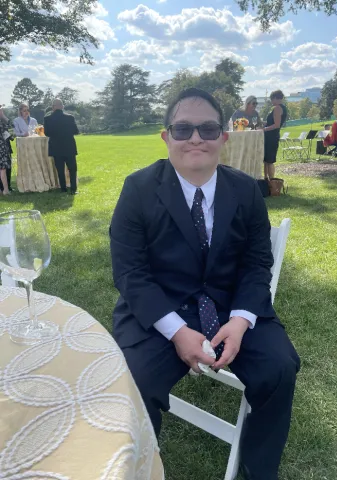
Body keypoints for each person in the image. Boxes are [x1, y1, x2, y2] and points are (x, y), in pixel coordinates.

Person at [110, 88, 300, 480]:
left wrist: (242, 320)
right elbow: (130, 272)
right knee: (133, 379)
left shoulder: (246, 190)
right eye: (183, 129)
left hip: (233, 306)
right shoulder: (138, 189)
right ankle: (140, 468)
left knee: (279, 367)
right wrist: (177, 332)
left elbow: (256, 262)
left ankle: (257, 470)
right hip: (163, 311)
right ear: (167, 137)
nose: (195, 138)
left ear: (223, 138)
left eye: (208, 128)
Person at [44, 98, 79, 194]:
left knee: (60, 169)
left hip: (56, 147)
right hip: (69, 146)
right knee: (72, 169)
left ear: (53, 107)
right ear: (62, 106)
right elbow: (76, 131)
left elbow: (47, 133)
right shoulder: (70, 118)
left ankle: (63, 188)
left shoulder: (47, 119)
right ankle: (73, 189)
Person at [263, 90, 287, 180]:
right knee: (266, 160)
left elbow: (276, 125)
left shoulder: (277, 108)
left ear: (276, 98)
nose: (272, 102)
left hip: (272, 137)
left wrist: (264, 129)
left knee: (270, 161)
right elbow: (271, 122)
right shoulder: (282, 108)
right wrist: (262, 123)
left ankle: (272, 182)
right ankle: (265, 179)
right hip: (270, 136)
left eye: (272, 99)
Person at [0, 107, 12, 195]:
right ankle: (6, 190)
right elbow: (10, 125)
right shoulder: (1, 123)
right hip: (1, 148)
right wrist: (3, 116)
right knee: (3, 169)